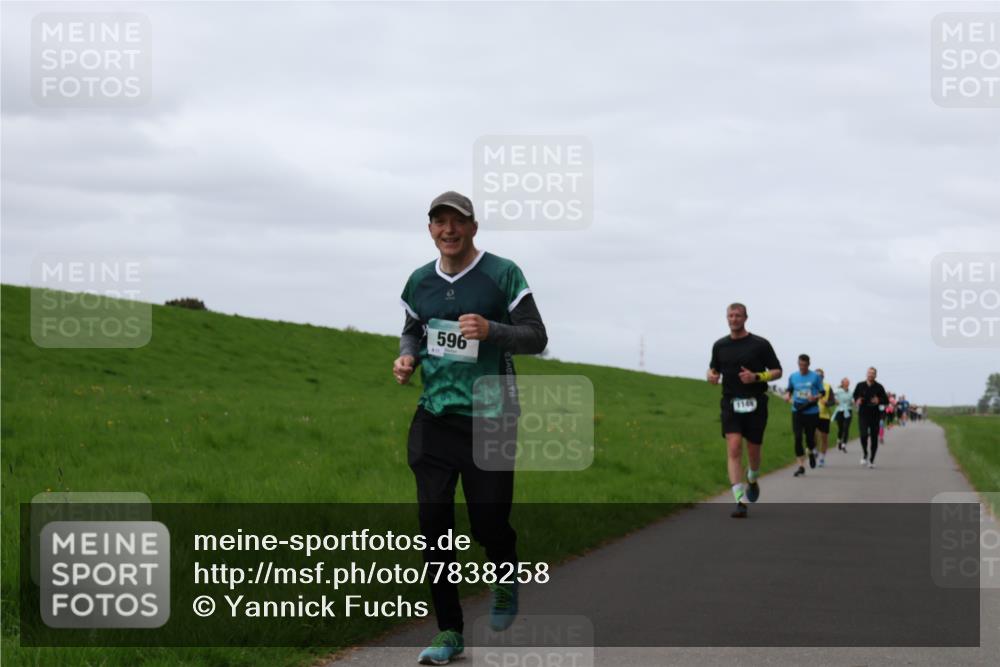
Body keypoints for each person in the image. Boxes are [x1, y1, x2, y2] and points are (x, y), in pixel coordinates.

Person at [394, 191, 548, 665]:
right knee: (433, 526)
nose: (448, 230)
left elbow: (537, 337)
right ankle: (449, 632)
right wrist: (407, 357)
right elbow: (413, 329)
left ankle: (504, 573)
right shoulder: (420, 281)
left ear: (473, 227)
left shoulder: (504, 274)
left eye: (456, 222)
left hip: (493, 415)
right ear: (431, 230)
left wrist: (492, 330)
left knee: (489, 523)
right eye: (439, 222)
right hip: (435, 418)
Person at [708, 303, 783, 519]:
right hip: (731, 402)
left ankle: (753, 476)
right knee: (733, 448)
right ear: (726, 318)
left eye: (738, 315)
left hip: (756, 403)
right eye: (730, 315)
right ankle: (739, 500)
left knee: (753, 451)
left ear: (745, 318)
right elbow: (713, 369)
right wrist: (711, 376)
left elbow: (777, 371)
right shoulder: (720, 345)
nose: (734, 319)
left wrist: (757, 377)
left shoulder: (760, 344)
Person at [784, 354, 825, 476]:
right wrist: (787, 395)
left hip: (811, 411)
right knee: (797, 438)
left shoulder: (815, 377)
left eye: (804, 365)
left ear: (808, 365)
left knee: (810, 438)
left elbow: (822, 392)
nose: (802, 367)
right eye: (800, 365)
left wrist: (815, 397)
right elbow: (789, 389)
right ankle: (801, 466)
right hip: (797, 410)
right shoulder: (793, 376)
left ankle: (811, 452)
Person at [853, 367, 888, 469]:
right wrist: (857, 400)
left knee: (874, 438)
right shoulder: (860, 385)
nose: (870, 375)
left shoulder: (879, 387)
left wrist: (879, 400)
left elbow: (886, 400)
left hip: (875, 415)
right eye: (869, 373)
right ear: (866, 374)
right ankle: (865, 453)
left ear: (875, 375)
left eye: (873, 373)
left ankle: (872, 459)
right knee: (863, 435)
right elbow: (855, 396)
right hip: (863, 413)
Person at [814, 368, 834, 467]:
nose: (818, 377)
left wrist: (828, 403)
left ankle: (822, 458)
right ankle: (814, 450)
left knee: (824, 438)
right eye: (816, 375)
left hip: (825, 415)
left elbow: (833, 401)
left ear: (823, 377)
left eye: (820, 376)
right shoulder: (811, 385)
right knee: (813, 435)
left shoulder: (827, 386)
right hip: (812, 414)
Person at [831, 377, 853, 452]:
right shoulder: (838, 391)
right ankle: (839, 440)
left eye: (848, 382)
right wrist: (835, 400)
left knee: (846, 427)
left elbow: (853, 400)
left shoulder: (850, 392)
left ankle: (844, 444)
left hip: (848, 411)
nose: (847, 383)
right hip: (840, 411)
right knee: (841, 428)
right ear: (842, 383)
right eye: (846, 382)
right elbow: (834, 397)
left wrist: (853, 402)